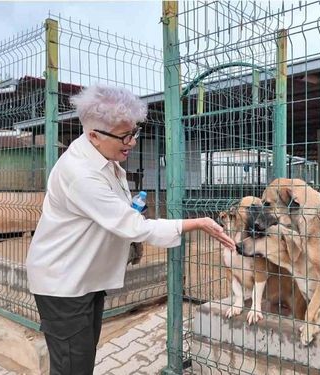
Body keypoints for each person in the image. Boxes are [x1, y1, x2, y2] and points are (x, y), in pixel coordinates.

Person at [25, 84, 235, 375]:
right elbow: (132, 226)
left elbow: (119, 214)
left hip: (83, 277)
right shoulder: (80, 173)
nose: (132, 141)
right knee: (72, 365)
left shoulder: (102, 159)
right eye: (125, 136)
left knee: (80, 358)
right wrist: (197, 222)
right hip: (63, 281)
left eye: (133, 132)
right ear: (94, 136)